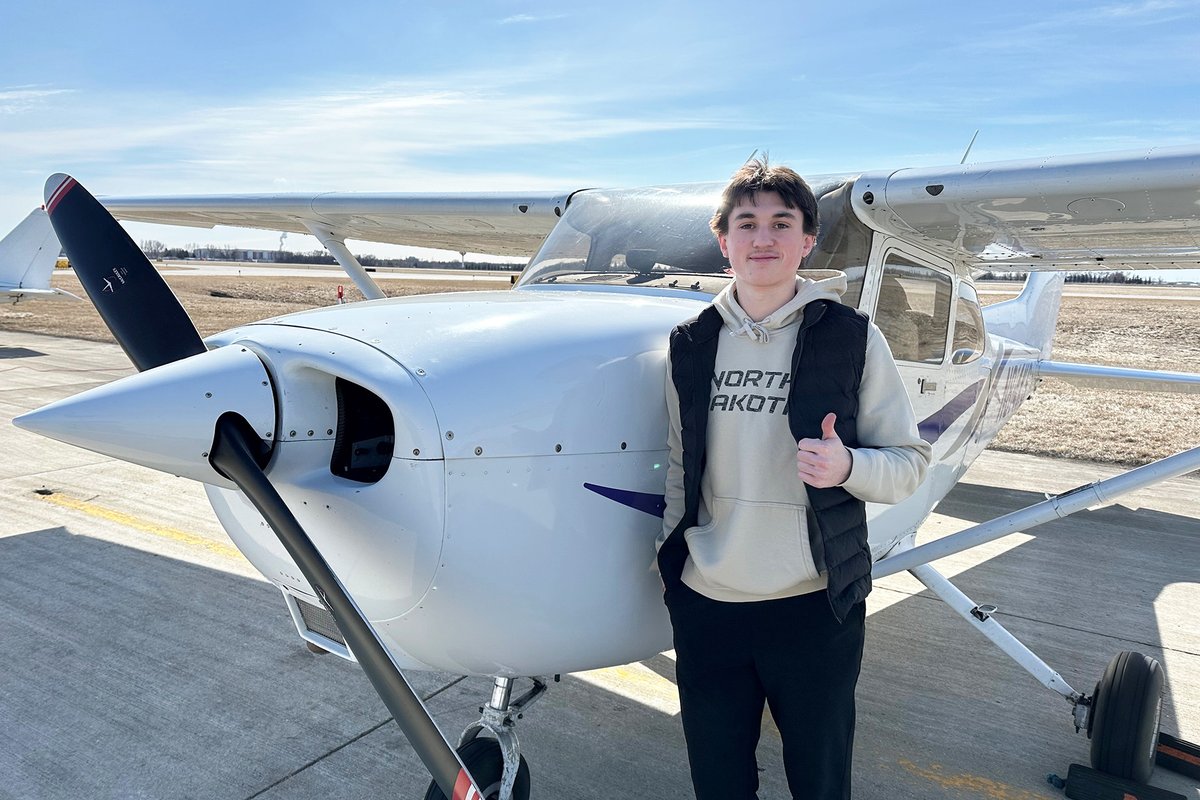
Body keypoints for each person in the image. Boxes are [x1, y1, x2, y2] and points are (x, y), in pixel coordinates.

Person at [656, 159, 932, 799]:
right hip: (708, 604)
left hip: (813, 608)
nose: (763, 238)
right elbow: (678, 463)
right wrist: (671, 565)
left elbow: (910, 463)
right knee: (719, 785)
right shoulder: (690, 344)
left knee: (820, 782)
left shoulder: (851, 338)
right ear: (723, 240)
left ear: (807, 240)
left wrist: (849, 467)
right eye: (746, 223)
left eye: (783, 222)